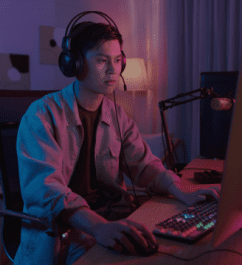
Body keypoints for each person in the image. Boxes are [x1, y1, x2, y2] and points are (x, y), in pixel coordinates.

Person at [13, 14, 220, 265]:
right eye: (102, 61)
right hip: (65, 235)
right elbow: (47, 190)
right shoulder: (41, 116)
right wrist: (100, 227)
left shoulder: (117, 115)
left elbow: (145, 166)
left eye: (118, 60)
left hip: (110, 223)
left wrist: (183, 192)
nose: (113, 70)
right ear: (74, 63)